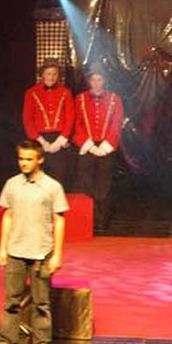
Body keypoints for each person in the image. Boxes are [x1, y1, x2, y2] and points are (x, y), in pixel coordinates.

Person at [0, 139, 68, 344]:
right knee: (11, 300)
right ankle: (5, 343)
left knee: (41, 302)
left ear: (40, 159)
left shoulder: (52, 186)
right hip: (16, 250)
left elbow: (59, 220)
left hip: (41, 251)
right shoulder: (12, 184)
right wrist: (3, 247)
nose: (24, 163)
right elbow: (8, 215)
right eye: (21, 158)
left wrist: (58, 254)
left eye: (29, 159)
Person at [72, 62, 124, 231]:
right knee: (85, 185)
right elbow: (77, 124)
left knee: (104, 186)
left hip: (105, 148)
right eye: (93, 80)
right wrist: (89, 145)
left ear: (104, 81)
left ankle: (102, 222)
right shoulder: (80, 99)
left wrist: (104, 147)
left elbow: (116, 125)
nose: (96, 83)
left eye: (99, 79)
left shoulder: (115, 99)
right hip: (86, 147)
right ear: (89, 81)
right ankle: (87, 221)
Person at [22, 57, 75, 187]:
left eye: (54, 74)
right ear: (42, 74)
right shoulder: (31, 92)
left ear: (58, 75)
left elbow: (70, 118)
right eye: (48, 74)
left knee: (59, 176)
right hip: (39, 139)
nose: (51, 77)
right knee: (38, 177)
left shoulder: (66, 92)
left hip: (59, 139)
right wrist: (42, 142)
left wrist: (60, 141)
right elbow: (27, 120)